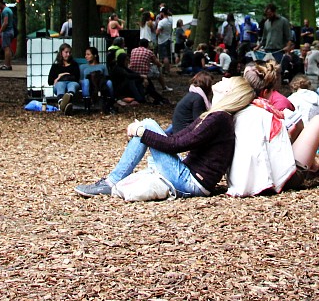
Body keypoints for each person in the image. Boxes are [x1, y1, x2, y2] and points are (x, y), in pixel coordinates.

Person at [74, 76, 257, 198]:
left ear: (229, 92)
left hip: (192, 182)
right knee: (146, 126)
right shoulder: (216, 116)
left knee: (147, 124)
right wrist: (145, 133)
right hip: (189, 176)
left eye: (228, 80)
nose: (223, 77)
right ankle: (111, 181)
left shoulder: (219, 119)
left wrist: (142, 133)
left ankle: (111, 182)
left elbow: (176, 145)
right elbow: (181, 137)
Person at [49, 43, 83, 112]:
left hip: (72, 82)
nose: (68, 54)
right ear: (61, 53)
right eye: (66, 52)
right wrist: (60, 76)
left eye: (69, 52)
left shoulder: (74, 64)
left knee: (72, 85)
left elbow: (77, 77)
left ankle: (64, 102)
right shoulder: (56, 66)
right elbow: (50, 81)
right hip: (59, 84)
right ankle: (63, 102)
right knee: (61, 85)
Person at [0, 0, 14, 71]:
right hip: (11, 30)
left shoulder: (5, 11)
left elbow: (5, 22)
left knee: (6, 48)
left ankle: (6, 65)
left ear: (1, 4)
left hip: (7, 31)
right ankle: (9, 65)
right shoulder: (9, 10)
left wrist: (0, 32)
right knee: (9, 48)